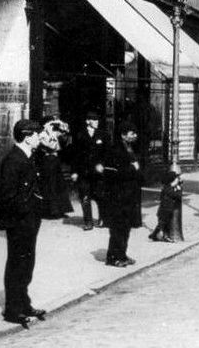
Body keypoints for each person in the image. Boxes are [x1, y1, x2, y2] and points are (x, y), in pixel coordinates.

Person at [0, 118, 46, 327]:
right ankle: (13, 310)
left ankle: (24, 304)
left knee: (26, 263)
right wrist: (26, 211)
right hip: (19, 222)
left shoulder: (28, 157)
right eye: (36, 135)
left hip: (29, 221)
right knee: (17, 264)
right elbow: (7, 196)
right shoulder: (13, 160)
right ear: (27, 136)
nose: (39, 138)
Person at [101, 121, 143, 266]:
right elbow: (113, 173)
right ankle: (113, 257)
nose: (135, 136)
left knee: (126, 227)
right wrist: (133, 169)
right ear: (123, 135)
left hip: (129, 195)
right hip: (118, 196)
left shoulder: (131, 149)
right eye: (132, 133)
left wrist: (135, 169)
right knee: (117, 227)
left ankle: (122, 254)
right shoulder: (115, 150)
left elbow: (138, 170)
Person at [70, 111, 107, 231]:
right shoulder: (80, 135)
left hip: (98, 172)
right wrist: (74, 171)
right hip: (83, 171)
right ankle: (88, 222)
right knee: (85, 197)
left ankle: (103, 219)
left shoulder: (103, 134)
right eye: (94, 120)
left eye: (97, 120)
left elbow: (107, 153)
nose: (97, 122)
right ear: (88, 121)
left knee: (100, 196)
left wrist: (102, 164)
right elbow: (75, 155)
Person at [35, 117, 74, 220]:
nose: (52, 126)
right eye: (49, 124)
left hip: (55, 160)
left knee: (59, 184)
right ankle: (51, 211)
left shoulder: (54, 132)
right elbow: (51, 145)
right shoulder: (42, 135)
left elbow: (66, 132)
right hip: (47, 160)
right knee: (50, 185)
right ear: (44, 125)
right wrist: (52, 133)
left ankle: (61, 209)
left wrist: (60, 124)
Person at [149, 167, 182, 243]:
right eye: (176, 179)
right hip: (166, 211)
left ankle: (154, 235)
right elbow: (177, 196)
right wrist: (179, 188)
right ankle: (165, 237)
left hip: (163, 210)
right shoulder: (169, 189)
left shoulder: (166, 188)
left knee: (161, 224)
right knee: (164, 225)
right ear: (172, 181)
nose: (177, 181)